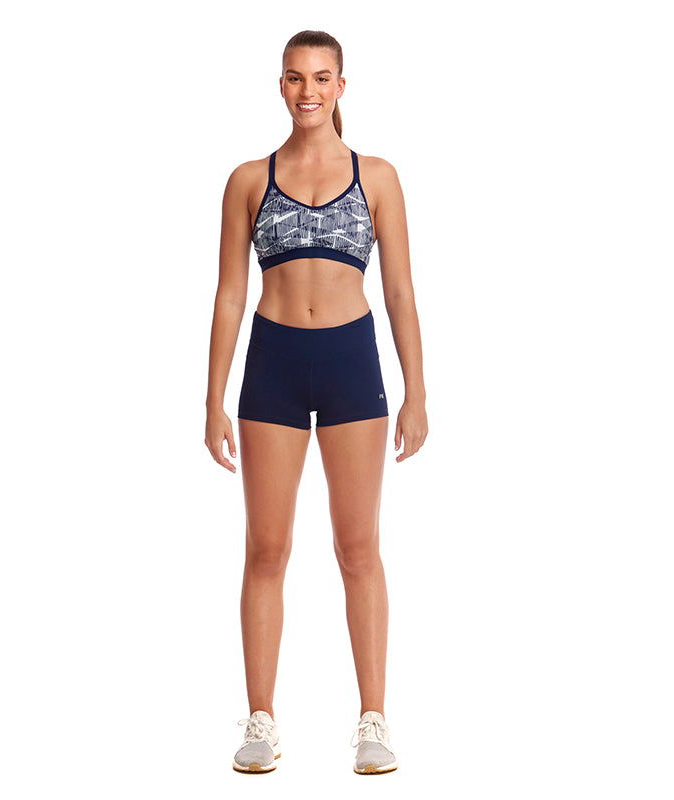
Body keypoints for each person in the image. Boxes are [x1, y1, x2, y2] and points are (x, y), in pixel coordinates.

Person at [204, 29, 427, 775]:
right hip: (271, 365)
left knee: (358, 548)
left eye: (322, 78)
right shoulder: (248, 180)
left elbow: (399, 290)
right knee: (266, 549)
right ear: (281, 85)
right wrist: (212, 399)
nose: (309, 91)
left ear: (341, 86)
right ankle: (261, 718)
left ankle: (373, 719)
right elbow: (229, 293)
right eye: (296, 77)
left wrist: (416, 391)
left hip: (350, 364)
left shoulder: (378, 177)